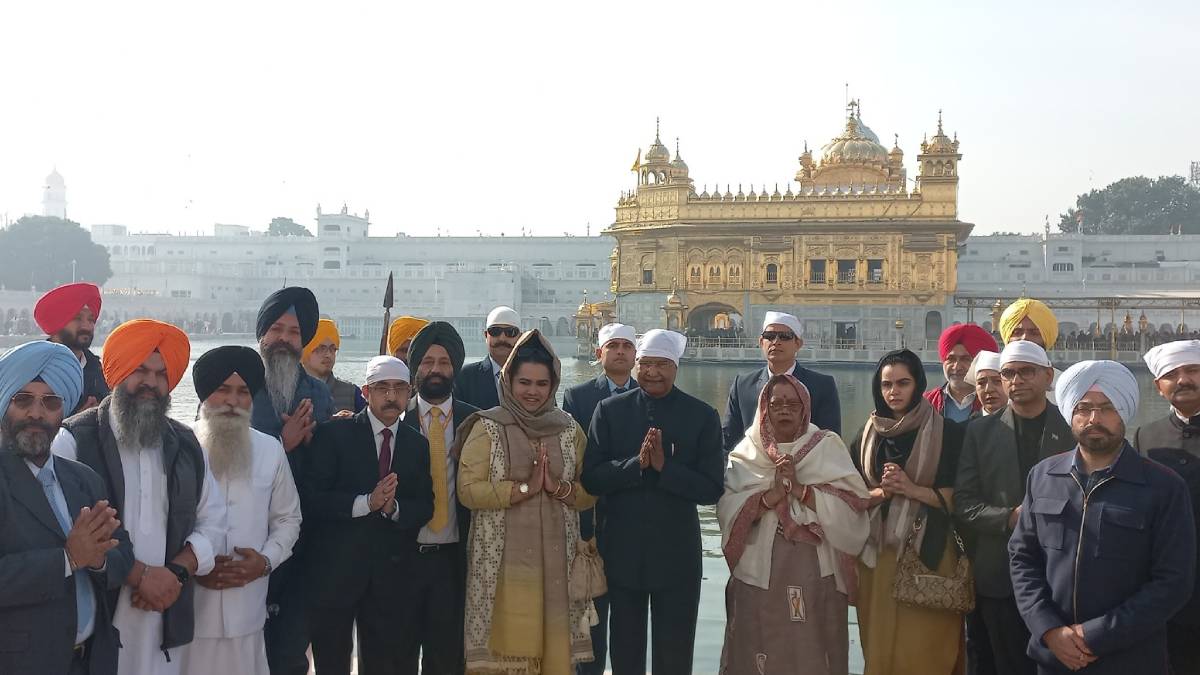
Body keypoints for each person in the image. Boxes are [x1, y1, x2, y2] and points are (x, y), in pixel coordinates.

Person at [52, 319, 227, 675]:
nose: (151, 383)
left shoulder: (186, 444)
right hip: (96, 621)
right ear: (117, 373)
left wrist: (176, 573)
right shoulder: (72, 440)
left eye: (162, 373)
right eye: (140, 370)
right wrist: (139, 575)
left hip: (164, 618)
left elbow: (215, 521)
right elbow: (59, 530)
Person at [1009, 360, 1196, 674]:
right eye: (1083, 408)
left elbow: (1173, 582)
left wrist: (1095, 635)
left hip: (1130, 658)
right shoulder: (1043, 477)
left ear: (1123, 411)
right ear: (1071, 414)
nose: (1094, 418)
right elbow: (1022, 557)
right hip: (1055, 656)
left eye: (1107, 407)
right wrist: (1048, 629)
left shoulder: (1162, 487)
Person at [582, 329, 724, 675]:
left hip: (677, 556)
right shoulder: (609, 411)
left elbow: (711, 488)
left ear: (675, 367)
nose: (653, 373)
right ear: (636, 366)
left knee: (674, 654)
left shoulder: (701, 416)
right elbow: (592, 478)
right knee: (625, 651)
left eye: (662, 365)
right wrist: (635, 466)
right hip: (622, 553)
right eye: (646, 365)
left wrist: (665, 469)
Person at [456, 329, 597, 674]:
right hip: (496, 565)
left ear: (553, 386)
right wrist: (521, 491)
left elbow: (588, 493)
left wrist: (557, 488)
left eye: (541, 384)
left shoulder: (568, 429)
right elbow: (467, 490)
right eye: (524, 382)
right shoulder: (487, 426)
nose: (532, 392)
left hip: (557, 566)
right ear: (508, 381)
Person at [718, 373, 870, 675]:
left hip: (817, 570)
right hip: (758, 574)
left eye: (792, 404)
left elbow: (854, 509)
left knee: (812, 651)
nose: (784, 410)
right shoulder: (749, 451)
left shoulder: (826, 447)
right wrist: (768, 498)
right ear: (765, 408)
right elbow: (727, 507)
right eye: (776, 404)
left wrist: (802, 491)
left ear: (805, 409)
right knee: (758, 648)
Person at [0, 341, 132, 675]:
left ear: (63, 411)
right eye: (23, 399)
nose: (36, 413)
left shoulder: (83, 479)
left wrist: (100, 559)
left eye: (50, 402)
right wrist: (68, 559)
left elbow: (122, 552)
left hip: (92, 659)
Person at [301, 355, 433, 674]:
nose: (391, 397)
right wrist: (366, 503)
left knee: (383, 663)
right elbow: (313, 500)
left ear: (410, 393)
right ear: (365, 392)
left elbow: (425, 504)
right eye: (382, 388)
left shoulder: (416, 444)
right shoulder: (335, 434)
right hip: (336, 574)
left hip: (390, 578)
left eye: (399, 389)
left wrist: (394, 508)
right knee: (332, 662)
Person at [180, 346, 302, 675]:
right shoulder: (178, 446)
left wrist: (264, 562)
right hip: (188, 616)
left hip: (248, 612)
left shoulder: (270, 449)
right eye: (222, 390)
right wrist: (193, 566)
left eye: (243, 392)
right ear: (205, 395)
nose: (233, 401)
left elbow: (289, 519)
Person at [954, 341, 1073, 675]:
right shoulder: (981, 431)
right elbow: (964, 503)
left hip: (1061, 574)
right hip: (999, 575)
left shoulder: (1071, 428)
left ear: (1047, 376)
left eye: (1026, 372)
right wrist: (1009, 518)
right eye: (1009, 373)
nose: (1016, 380)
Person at [849, 348, 965, 675]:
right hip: (876, 556)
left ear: (918, 385)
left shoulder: (949, 433)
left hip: (930, 556)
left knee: (926, 650)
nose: (894, 392)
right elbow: (848, 494)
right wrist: (881, 492)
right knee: (880, 648)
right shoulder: (867, 435)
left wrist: (912, 490)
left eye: (903, 383)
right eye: (887, 384)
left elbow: (962, 498)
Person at [251, 286, 333, 675]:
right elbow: (214, 459)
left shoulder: (318, 394)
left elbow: (328, 471)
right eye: (277, 329)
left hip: (304, 545)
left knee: (289, 654)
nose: (284, 338)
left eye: (294, 332)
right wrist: (281, 444)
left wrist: (325, 440)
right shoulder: (237, 388)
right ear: (262, 335)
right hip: (246, 540)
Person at [399, 321, 480, 675]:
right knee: (394, 656)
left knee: (446, 659)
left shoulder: (475, 422)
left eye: (444, 362)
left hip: (452, 561)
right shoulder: (392, 419)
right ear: (416, 368)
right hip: (399, 558)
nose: (435, 369)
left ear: (455, 368)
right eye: (428, 362)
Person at [562, 322, 637, 675]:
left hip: (632, 518)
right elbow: (575, 459)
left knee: (628, 615)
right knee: (590, 615)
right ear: (599, 353)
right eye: (613, 346)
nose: (620, 351)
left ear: (635, 355)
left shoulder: (649, 396)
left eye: (626, 346)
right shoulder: (578, 397)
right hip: (589, 518)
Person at [1133, 339, 1200, 673]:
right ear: (1159, 387)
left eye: (1192, 370)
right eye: (1172, 374)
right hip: (1166, 589)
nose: (1183, 379)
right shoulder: (1146, 436)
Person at [723, 312, 840, 455]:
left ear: (798, 344)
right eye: (770, 336)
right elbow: (728, 441)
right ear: (761, 342)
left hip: (808, 470)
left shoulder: (821, 385)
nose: (776, 341)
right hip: (752, 471)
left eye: (784, 337)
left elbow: (831, 441)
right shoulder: (742, 385)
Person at [34, 282, 109, 411]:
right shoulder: (35, 369)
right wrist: (75, 421)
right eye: (77, 318)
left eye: (91, 319)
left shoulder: (98, 369)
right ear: (58, 322)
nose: (86, 326)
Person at [925, 324, 999, 422]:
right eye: (951, 359)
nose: (957, 367)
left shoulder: (996, 401)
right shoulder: (926, 402)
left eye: (966, 359)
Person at [454, 306, 521, 411]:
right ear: (486, 335)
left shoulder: (533, 377)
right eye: (495, 331)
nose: (502, 338)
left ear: (520, 337)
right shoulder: (465, 376)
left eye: (510, 332)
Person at [302, 318, 365, 415]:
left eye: (332, 349)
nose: (328, 355)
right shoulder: (289, 392)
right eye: (321, 348)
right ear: (306, 350)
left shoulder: (352, 393)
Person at [965, 351, 1007, 417]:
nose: (988, 389)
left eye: (997, 381)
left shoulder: (1023, 424)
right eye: (981, 383)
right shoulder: (968, 426)